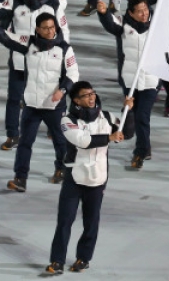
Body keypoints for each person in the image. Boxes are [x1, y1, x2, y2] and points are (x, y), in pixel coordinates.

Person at [0, 13, 78, 191]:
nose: (50, 31)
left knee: (60, 141)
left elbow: (73, 74)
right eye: (45, 28)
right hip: (32, 105)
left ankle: (61, 169)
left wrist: (62, 91)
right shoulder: (28, 42)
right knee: (25, 143)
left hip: (54, 105)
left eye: (52, 27)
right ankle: (20, 178)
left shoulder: (65, 49)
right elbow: (7, 38)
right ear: (37, 29)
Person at [44, 81, 129, 275]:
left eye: (92, 94)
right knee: (64, 221)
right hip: (74, 178)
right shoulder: (67, 121)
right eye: (86, 95)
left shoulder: (107, 117)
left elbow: (128, 132)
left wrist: (128, 111)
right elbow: (83, 142)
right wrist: (109, 138)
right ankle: (57, 261)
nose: (91, 98)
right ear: (76, 100)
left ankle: (84, 258)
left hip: (98, 178)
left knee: (91, 222)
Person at [0, 0, 70, 151]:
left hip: (47, 63)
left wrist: (64, 53)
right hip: (20, 60)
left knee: (55, 97)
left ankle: (57, 129)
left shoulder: (52, 4)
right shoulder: (15, 4)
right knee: (14, 99)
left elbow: (62, 30)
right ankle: (12, 134)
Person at [96, 0, 155, 169]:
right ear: (131, 13)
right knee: (135, 115)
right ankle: (145, 146)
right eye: (139, 11)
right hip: (129, 81)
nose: (144, 14)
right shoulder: (123, 25)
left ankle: (140, 152)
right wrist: (104, 13)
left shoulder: (156, 25)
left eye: (145, 9)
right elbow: (110, 24)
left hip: (151, 80)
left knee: (142, 116)